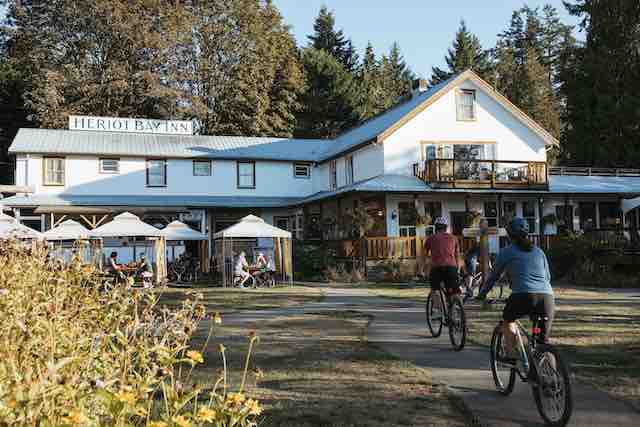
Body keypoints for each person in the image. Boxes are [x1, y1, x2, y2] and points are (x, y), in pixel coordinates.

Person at [478, 217, 554, 365]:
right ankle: (552, 381)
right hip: (547, 298)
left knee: (508, 320)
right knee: (543, 343)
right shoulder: (539, 252)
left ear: (509, 235)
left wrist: (482, 294)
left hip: (522, 296)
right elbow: (548, 277)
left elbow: (493, 276)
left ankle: (511, 355)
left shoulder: (507, 252)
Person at [424, 216, 461, 312]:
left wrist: (421, 270)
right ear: (446, 227)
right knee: (454, 291)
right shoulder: (454, 238)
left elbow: (423, 256)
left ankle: (439, 310)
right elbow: (457, 255)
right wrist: (458, 268)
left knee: (435, 289)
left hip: (437, 268)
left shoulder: (431, 238)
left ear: (436, 228)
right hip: (451, 267)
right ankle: (456, 311)